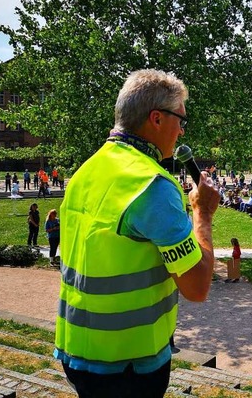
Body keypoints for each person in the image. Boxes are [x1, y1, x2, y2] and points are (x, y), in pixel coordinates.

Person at [54, 69, 219, 398]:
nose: (182, 129)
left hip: (77, 351)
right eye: (180, 119)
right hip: (129, 365)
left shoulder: (86, 171)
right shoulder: (152, 186)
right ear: (157, 119)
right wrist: (203, 213)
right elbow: (198, 286)